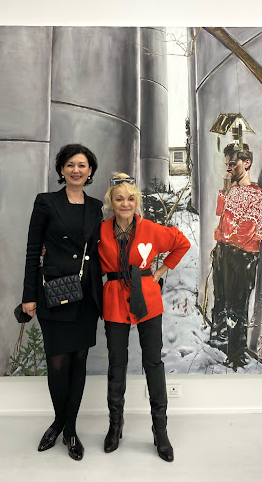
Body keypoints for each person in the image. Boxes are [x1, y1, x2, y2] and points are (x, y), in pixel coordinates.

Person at [98, 173, 190, 462]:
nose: (125, 203)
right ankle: (115, 426)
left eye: (130, 198)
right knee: (117, 362)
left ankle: (160, 430)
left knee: (153, 362)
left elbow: (181, 243)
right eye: (119, 198)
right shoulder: (100, 231)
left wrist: (161, 271)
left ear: (136, 201)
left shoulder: (150, 229)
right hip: (115, 301)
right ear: (111, 202)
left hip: (148, 301)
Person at [22, 143, 103, 461]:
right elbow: (33, 250)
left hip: (85, 296)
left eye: (82, 165)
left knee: (79, 362)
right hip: (54, 294)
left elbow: (99, 249)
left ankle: (69, 429)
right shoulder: (46, 202)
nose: (76, 170)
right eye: (70, 165)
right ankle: (59, 421)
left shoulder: (96, 206)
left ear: (90, 171)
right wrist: (29, 295)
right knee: (57, 363)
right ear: (61, 170)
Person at [210, 142, 262, 370]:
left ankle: (236, 356)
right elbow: (220, 214)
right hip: (224, 252)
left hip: (243, 256)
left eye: (233, 164)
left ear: (247, 163)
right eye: (227, 163)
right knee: (221, 298)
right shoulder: (232, 190)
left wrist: (224, 234)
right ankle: (220, 343)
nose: (229, 168)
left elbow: (247, 231)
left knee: (237, 306)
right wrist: (225, 192)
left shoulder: (257, 195)